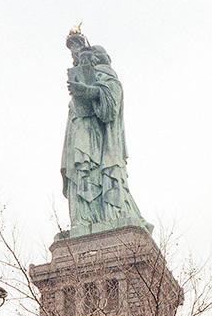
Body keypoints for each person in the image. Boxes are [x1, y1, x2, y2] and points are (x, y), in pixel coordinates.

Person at [61, 30, 152, 235]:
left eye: (92, 56)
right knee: (80, 172)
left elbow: (109, 111)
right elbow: (81, 70)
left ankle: (107, 217)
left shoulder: (109, 78)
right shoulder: (87, 75)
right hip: (80, 135)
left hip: (100, 142)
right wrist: (76, 49)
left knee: (99, 175)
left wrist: (88, 91)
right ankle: (84, 220)